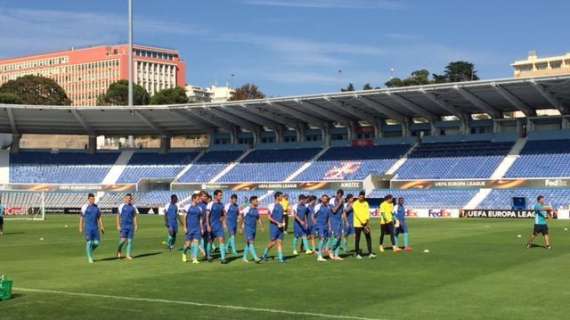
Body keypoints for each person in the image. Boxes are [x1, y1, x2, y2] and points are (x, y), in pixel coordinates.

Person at [79, 193, 104, 263]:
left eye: (93, 199)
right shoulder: (84, 207)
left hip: (95, 228)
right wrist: (80, 227)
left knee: (97, 243)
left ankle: (89, 251)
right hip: (88, 228)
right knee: (89, 242)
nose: (92, 200)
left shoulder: (97, 207)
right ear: (88, 199)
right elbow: (81, 218)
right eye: (91, 199)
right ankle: (90, 258)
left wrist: (102, 226)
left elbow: (99, 217)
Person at [262, 192, 286, 263]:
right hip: (274, 227)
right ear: (277, 197)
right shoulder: (271, 205)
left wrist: (283, 223)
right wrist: (277, 223)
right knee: (273, 242)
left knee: (280, 242)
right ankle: (264, 254)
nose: (282, 197)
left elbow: (282, 216)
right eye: (281, 196)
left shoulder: (281, 206)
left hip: (281, 227)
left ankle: (281, 259)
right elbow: (269, 217)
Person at [182, 193, 204, 264]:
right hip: (189, 228)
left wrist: (202, 228)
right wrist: (185, 227)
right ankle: (184, 253)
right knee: (187, 244)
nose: (199, 200)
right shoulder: (187, 207)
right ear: (193, 199)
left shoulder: (200, 208)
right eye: (197, 199)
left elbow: (200, 219)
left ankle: (194, 258)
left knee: (196, 243)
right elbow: (184, 217)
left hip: (197, 228)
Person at [207, 190, 227, 264]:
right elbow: (207, 216)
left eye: (221, 195)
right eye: (220, 195)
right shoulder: (210, 204)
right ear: (215, 196)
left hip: (219, 226)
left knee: (222, 240)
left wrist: (224, 221)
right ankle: (208, 256)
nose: (221, 197)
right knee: (210, 241)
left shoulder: (222, 205)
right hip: (212, 226)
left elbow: (224, 214)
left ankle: (223, 258)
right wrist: (208, 225)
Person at [353, 191, 375, 259]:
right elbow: (357, 214)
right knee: (357, 239)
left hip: (365, 223)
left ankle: (370, 253)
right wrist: (363, 222)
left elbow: (367, 213)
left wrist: (367, 222)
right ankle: (357, 254)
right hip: (358, 224)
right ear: (358, 196)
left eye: (362, 197)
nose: (361, 198)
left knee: (368, 238)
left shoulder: (366, 203)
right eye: (360, 196)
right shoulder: (355, 203)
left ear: (364, 197)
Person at [116, 193, 139, 260]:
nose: (129, 200)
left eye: (130, 198)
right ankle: (119, 249)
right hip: (123, 226)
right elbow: (118, 216)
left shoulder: (133, 207)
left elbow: (134, 216)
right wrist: (118, 225)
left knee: (129, 241)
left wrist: (136, 225)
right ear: (125, 199)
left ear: (131, 199)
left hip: (131, 226)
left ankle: (128, 255)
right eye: (127, 198)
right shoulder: (121, 206)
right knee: (123, 240)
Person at [241, 196, 264, 263]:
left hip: (254, 228)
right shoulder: (247, 209)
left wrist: (261, 226)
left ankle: (244, 257)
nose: (257, 202)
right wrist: (240, 227)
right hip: (248, 228)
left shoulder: (256, 210)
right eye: (256, 201)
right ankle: (256, 258)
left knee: (249, 243)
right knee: (251, 242)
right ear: (252, 201)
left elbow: (258, 218)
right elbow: (241, 217)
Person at [314, 194, 333, 262]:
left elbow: (328, 218)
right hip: (320, 225)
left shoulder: (328, 207)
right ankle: (319, 256)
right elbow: (313, 216)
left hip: (326, 226)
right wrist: (316, 226)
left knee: (325, 239)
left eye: (326, 199)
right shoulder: (318, 207)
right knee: (322, 239)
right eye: (324, 198)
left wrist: (330, 226)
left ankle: (320, 253)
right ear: (321, 199)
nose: (325, 200)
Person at [329, 190, 345, 260]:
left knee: (340, 238)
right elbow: (334, 210)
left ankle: (336, 255)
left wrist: (343, 220)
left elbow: (342, 212)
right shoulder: (332, 200)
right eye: (339, 195)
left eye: (341, 195)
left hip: (340, 220)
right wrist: (340, 203)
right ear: (337, 194)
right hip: (334, 220)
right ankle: (331, 250)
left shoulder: (342, 202)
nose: (339, 196)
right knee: (337, 237)